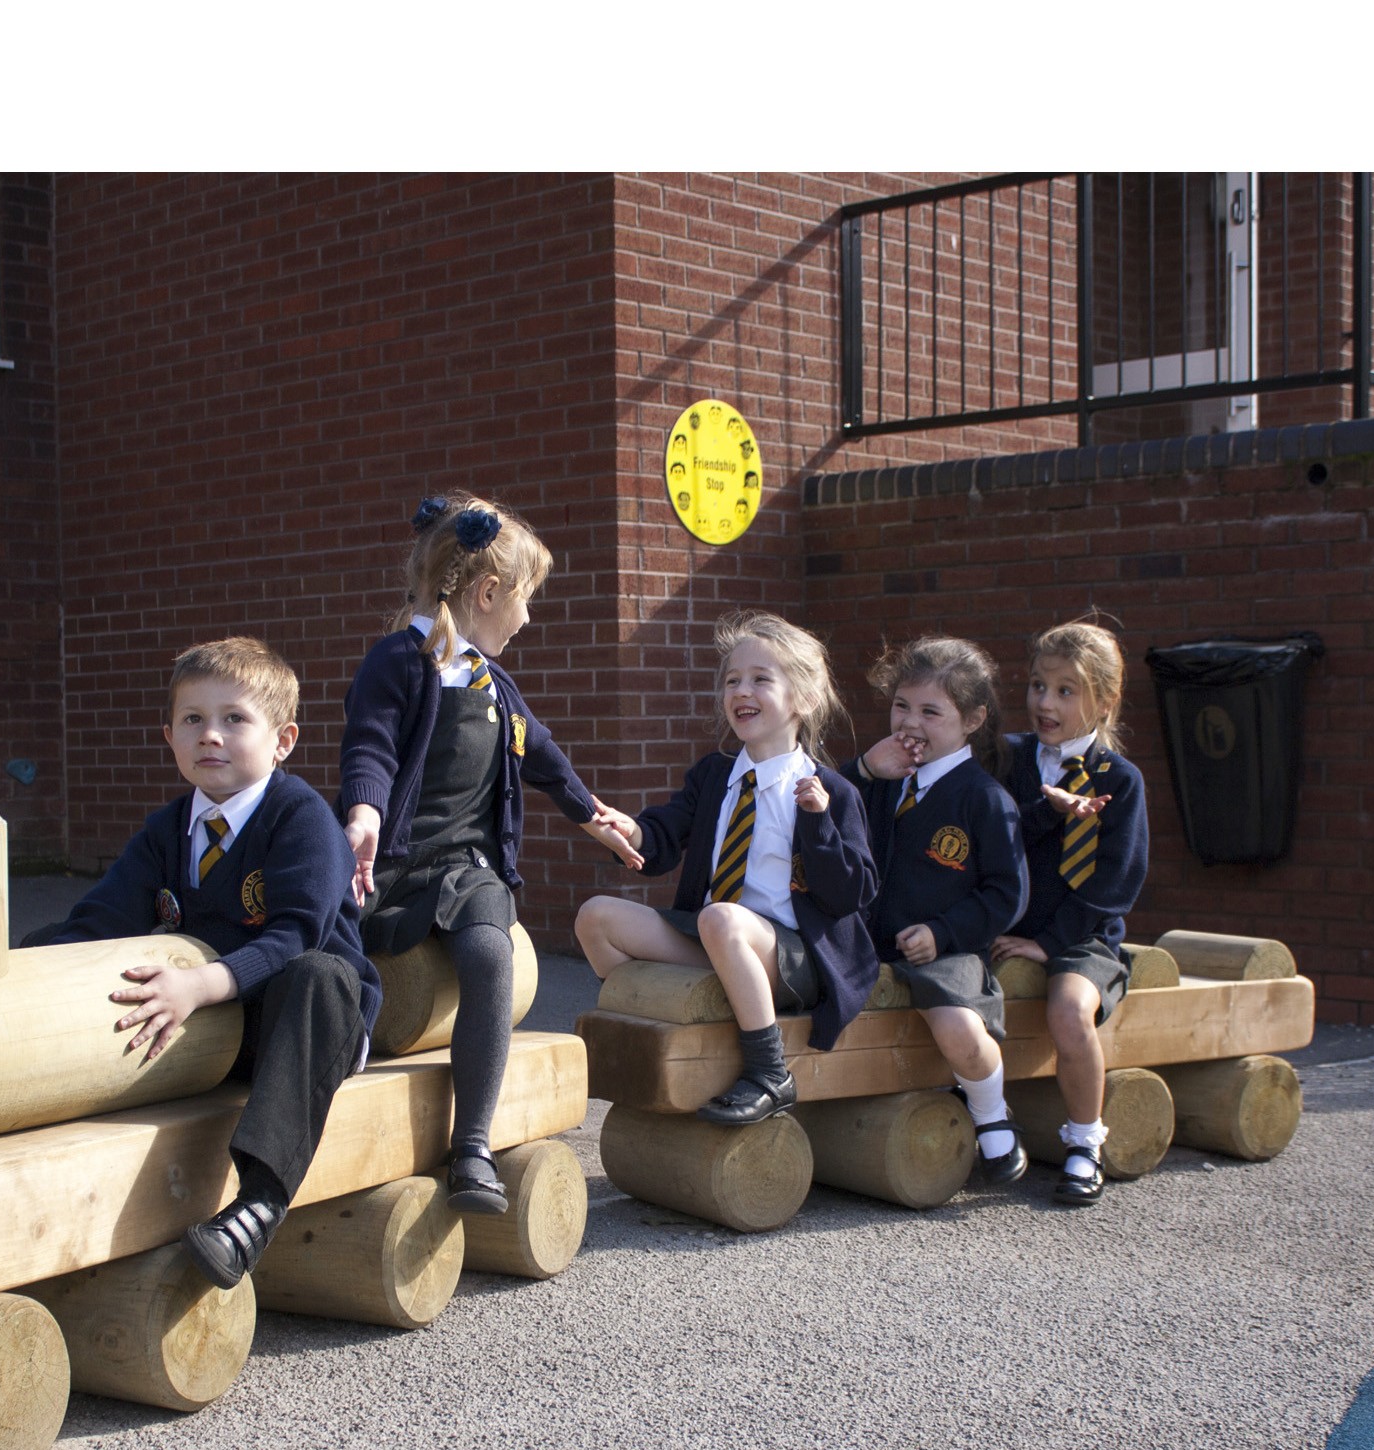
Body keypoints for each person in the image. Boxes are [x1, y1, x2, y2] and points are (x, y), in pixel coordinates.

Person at [21, 635, 381, 1288]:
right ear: (169, 735)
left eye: (234, 718)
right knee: (63, 942)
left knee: (319, 975)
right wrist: (13, 969)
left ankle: (260, 1201)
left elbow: (294, 936)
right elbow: (98, 923)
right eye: (192, 719)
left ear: (283, 739)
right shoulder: (166, 830)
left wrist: (198, 984)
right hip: (217, 1023)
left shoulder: (300, 819)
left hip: (304, 1026)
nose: (210, 735)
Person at [338, 491, 642, 1213]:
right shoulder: (399, 662)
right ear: (486, 592)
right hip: (393, 858)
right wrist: (361, 811)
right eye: (525, 601)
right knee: (331, 943)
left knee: (489, 951)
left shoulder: (491, 682)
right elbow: (370, 743)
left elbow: (541, 755)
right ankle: (336, 1068)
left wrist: (590, 813)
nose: (528, 618)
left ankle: (470, 1144)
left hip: (469, 868)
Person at [575, 611, 877, 1126]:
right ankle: (679, 1018)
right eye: (733, 680)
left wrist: (820, 824)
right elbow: (665, 834)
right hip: (718, 940)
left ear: (803, 699)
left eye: (761, 679)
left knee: (721, 919)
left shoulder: (828, 791)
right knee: (595, 916)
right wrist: (632, 831)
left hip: (793, 955)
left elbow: (853, 893)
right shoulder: (715, 775)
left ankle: (769, 1071)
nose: (742, 690)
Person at [846, 636, 1029, 1186]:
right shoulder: (881, 778)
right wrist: (861, 770)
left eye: (932, 711)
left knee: (959, 1028)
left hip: (947, 952)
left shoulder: (983, 799)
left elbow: (1007, 894)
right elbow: (818, 812)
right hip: (866, 944)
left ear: (972, 719)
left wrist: (944, 932)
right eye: (902, 706)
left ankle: (992, 1115)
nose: (911, 723)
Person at [992, 617, 1147, 1206]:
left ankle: (1085, 1143)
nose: (1044, 702)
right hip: (1006, 923)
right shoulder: (1010, 760)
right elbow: (999, 841)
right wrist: (1048, 812)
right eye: (1037, 685)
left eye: (1065, 690)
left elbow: (1117, 882)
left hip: (1083, 936)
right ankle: (985, 1116)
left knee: (1068, 1011)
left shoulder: (1119, 780)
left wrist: (1050, 943)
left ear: (1103, 700)